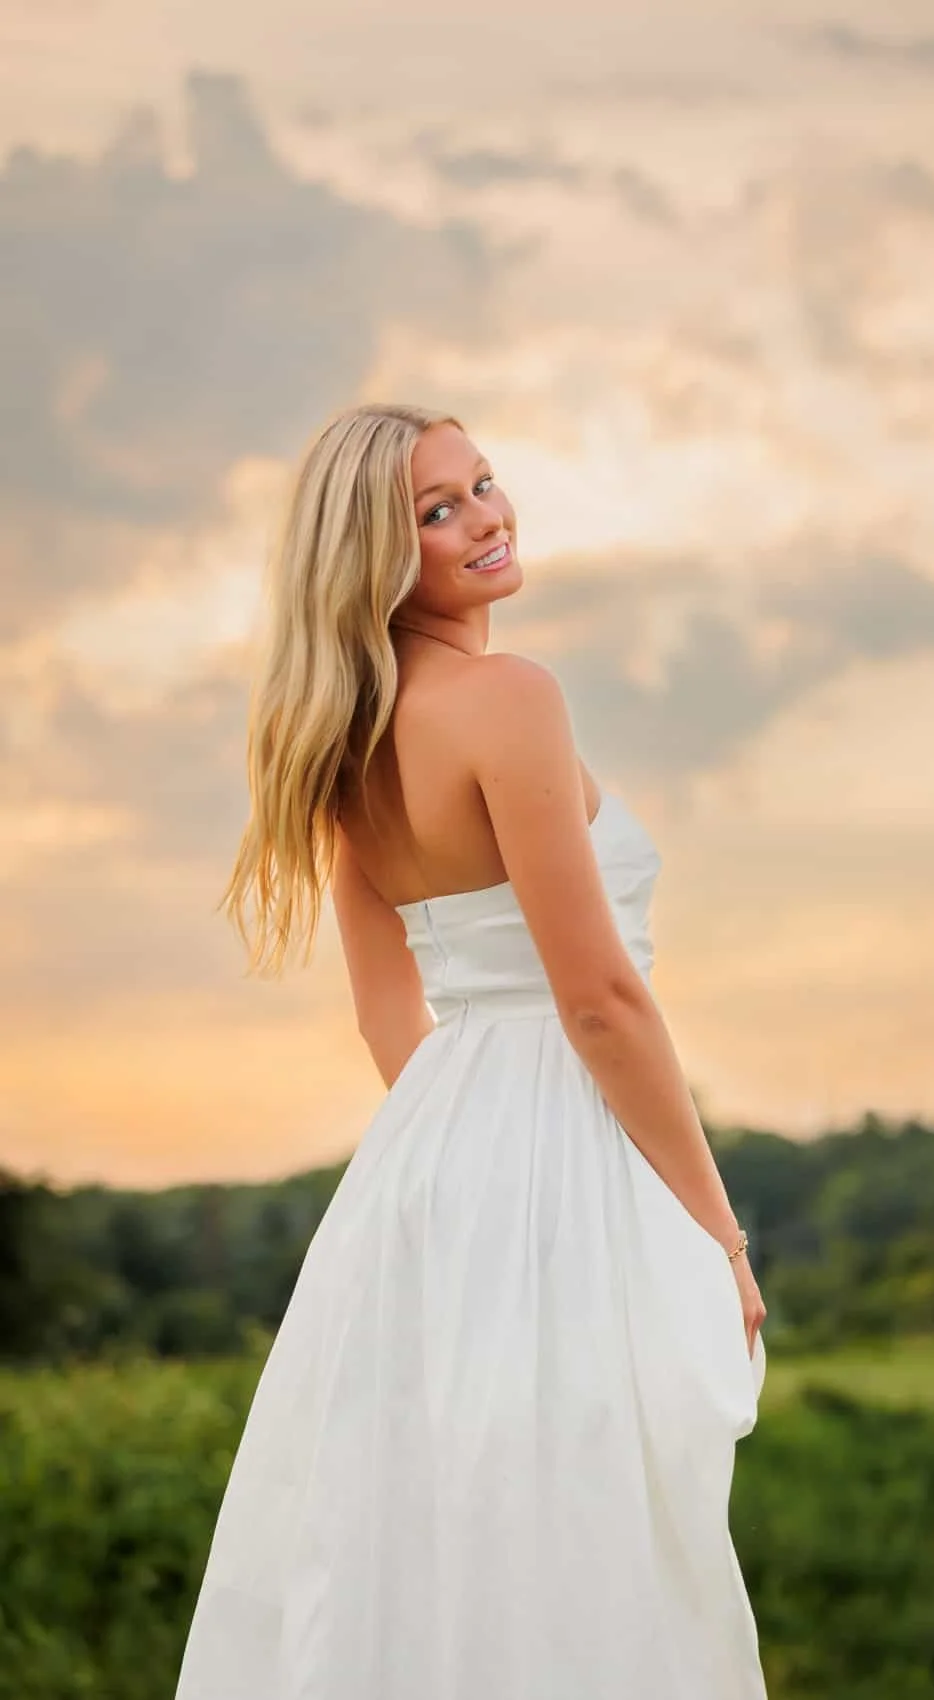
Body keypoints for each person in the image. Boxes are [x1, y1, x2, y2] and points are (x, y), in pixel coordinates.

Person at [173, 401, 769, 1699]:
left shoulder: (339, 741)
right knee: (584, 1525)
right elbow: (600, 998)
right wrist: (717, 1230)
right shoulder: (510, 700)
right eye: (434, 512)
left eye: (482, 484)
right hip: (572, 1140)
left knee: (435, 1529)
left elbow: (392, 1014)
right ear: (376, 557)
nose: (483, 519)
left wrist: (461, 1177)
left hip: (430, 1171)